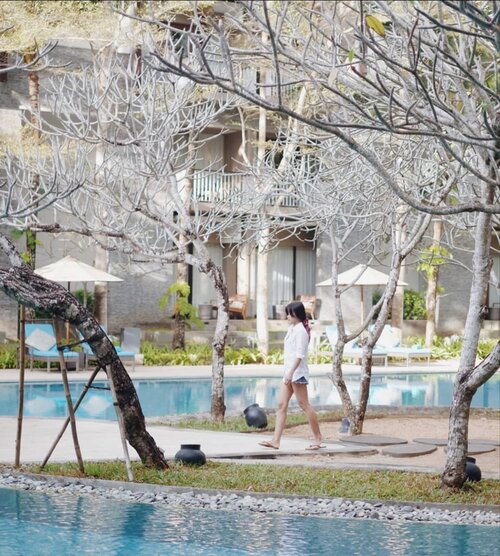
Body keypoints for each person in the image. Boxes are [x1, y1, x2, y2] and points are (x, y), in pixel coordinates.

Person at [259, 301, 325, 450]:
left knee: (304, 405)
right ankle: (275, 441)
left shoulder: (301, 331)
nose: (287, 316)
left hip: (297, 374)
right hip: (289, 373)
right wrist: (287, 373)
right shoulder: (292, 328)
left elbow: (299, 355)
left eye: (290, 313)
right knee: (281, 405)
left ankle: (318, 437)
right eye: (287, 313)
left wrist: (290, 373)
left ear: (297, 315)